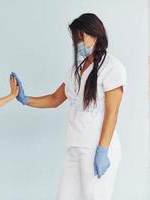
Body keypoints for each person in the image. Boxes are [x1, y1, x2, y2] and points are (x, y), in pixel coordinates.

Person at [11, 13, 126, 200]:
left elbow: (112, 113)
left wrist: (102, 150)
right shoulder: (76, 69)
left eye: (81, 38)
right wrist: (25, 99)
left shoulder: (113, 67)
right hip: (75, 146)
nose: (77, 43)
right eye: (75, 39)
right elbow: (56, 98)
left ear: (95, 35)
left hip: (97, 148)